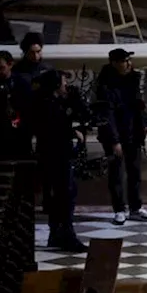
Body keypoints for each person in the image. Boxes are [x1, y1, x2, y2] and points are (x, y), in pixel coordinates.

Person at [95, 48, 147, 225]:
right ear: (114, 63)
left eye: (129, 60)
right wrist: (114, 141)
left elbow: (140, 104)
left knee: (135, 172)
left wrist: (145, 123)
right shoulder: (105, 84)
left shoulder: (133, 79)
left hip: (133, 133)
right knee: (116, 173)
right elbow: (106, 114)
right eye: (124, 61)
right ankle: (119, 209)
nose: (128, 64)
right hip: (116, 135)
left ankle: (136, 207)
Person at [33, 70, 86, 252]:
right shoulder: (47, 105)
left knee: (62, 195)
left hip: (56, 154)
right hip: (55, 156)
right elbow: (54, 128)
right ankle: (66, 234)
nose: (66, 86)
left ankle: (56, 233)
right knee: (64, 195)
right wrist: (72, 133)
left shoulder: (54, 102)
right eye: (63, 83)